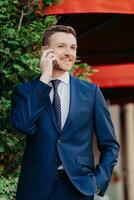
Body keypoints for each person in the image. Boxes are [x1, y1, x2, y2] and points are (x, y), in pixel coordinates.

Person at [11, 25, 120, 200]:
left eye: (73, 47)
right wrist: (44, 79)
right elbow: (23, 125)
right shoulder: (26, 91)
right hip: (35, 190)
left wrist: (98, 182)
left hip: (78, 189)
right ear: (45, 51)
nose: (69, 52)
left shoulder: (90, 93)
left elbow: (110, 145)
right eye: (61, 46)